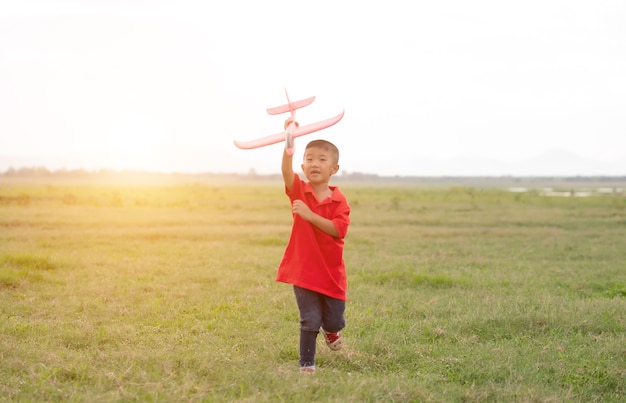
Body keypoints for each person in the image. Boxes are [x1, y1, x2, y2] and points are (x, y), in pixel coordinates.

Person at [276, 118, 351, 374]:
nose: (314, 163)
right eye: (308, 159)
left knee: (332, 319)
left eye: (321, 159)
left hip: (331, 273)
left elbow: (337, 230)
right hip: (304, 270)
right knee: (310, 320)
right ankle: (306, 367)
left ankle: (332, 331)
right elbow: (286, 172)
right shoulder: (299, 191)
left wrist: (309, 215)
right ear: (303, 166)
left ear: (334, 168)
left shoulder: (340, 201)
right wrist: (289, 143)